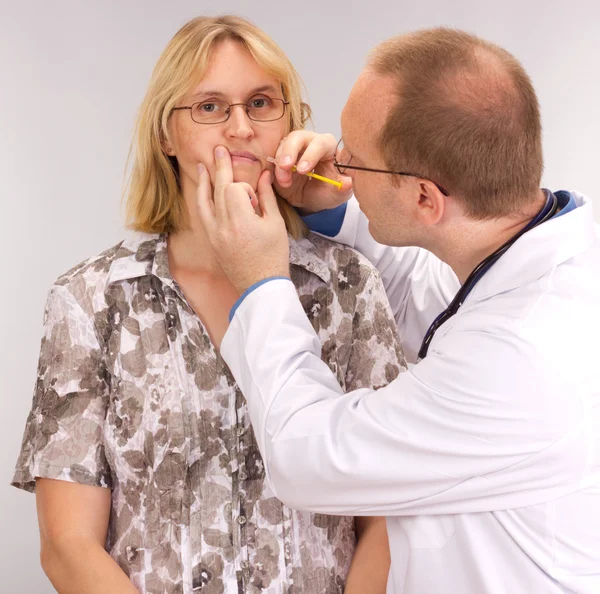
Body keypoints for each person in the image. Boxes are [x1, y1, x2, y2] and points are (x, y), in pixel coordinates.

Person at [196, 28, 600, 594]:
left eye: (356, 159)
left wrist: (260, 281)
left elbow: (305, 456)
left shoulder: (524, 357)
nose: (336, 161)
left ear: (425, 199)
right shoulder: (540, 265)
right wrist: (338, 213)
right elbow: (429, 297)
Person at [11, 15, 405, 594]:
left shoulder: (351, 286)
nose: (241, 127)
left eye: (262, 102)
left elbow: (392, 515)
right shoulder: (92, 301)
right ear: (166, 135)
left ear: (290, 123)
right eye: (210, 107)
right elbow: (68, 545)